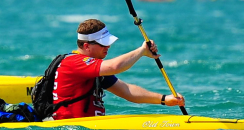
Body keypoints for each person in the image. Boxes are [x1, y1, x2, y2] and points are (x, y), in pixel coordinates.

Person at [49, 18, 184, 119]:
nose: (107, 47)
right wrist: (142, 51)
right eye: (103, 44)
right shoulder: (73, 62)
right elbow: (115, 66)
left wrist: (164, 99)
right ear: (86, 46)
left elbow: (127, 91)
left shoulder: (93, 68)